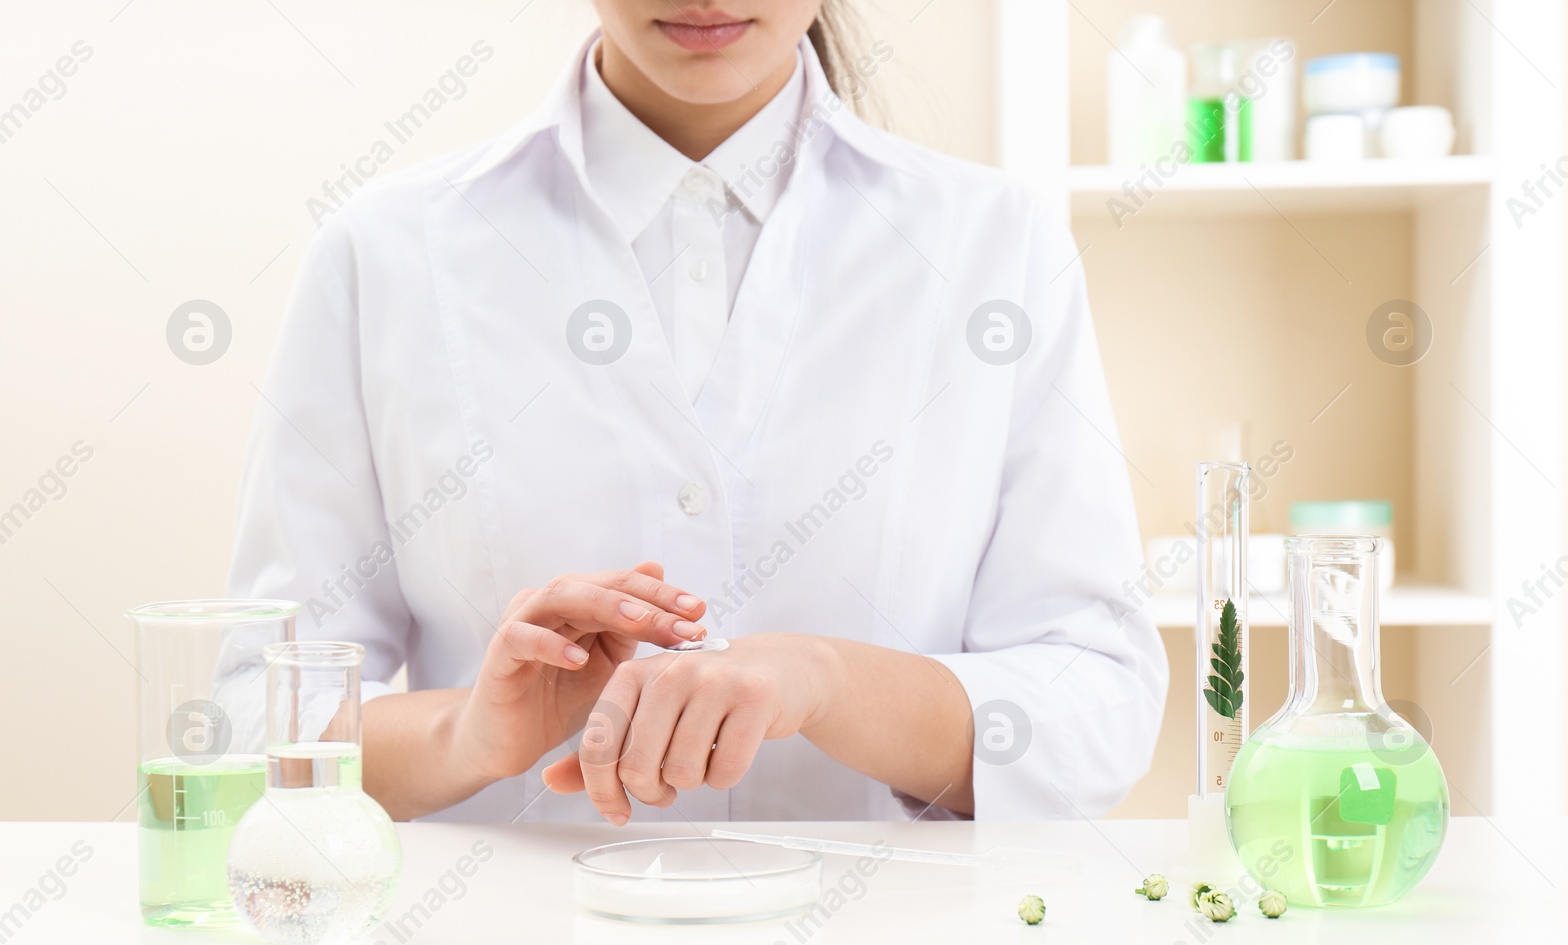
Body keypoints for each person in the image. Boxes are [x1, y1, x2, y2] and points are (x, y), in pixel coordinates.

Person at [228, 0, 1167, 827]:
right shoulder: (386, 251)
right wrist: (463, 731)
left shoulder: (992, 242)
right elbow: (248, 724)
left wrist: (826, 682)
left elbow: (1096, 702)